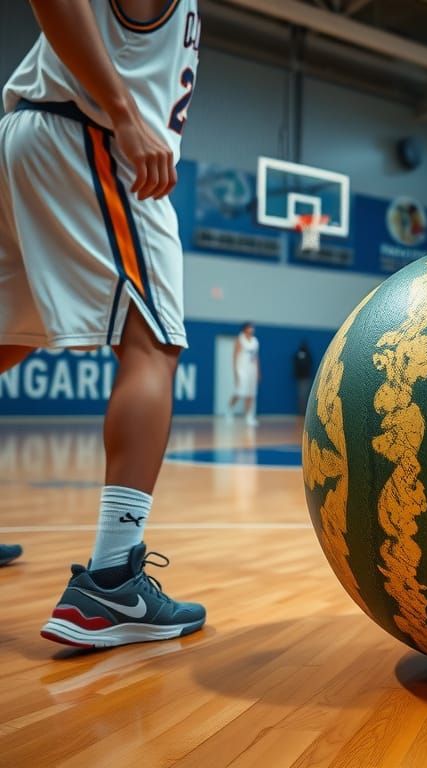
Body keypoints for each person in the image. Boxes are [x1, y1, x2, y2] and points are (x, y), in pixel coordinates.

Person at [0, 0, 205, 645]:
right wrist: (123, 114)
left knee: (7, 341)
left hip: (31, 141)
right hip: (92, 142)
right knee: (154, 345)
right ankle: (113, 582)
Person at [227, 322, 260, 426]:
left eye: (252, 328)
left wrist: (258, 371)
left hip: (252, 370)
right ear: (245, 329)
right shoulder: (240, 340)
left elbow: (256, 357)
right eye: (250, 327)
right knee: (239, 393)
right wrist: (235, 372)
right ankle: (229, 410)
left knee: (251, 394)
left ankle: (249, 417)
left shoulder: (255, 341)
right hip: (242, 370)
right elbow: (234, 356)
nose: (252, 329)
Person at [293, 339, 314, 416]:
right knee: (301, 396)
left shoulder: (308, 354)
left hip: (306, 378)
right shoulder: (297, 354)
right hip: (300, 378)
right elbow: (295, 364)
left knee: (306, 396)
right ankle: (301, 412)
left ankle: (306, 413)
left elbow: (310, 364)